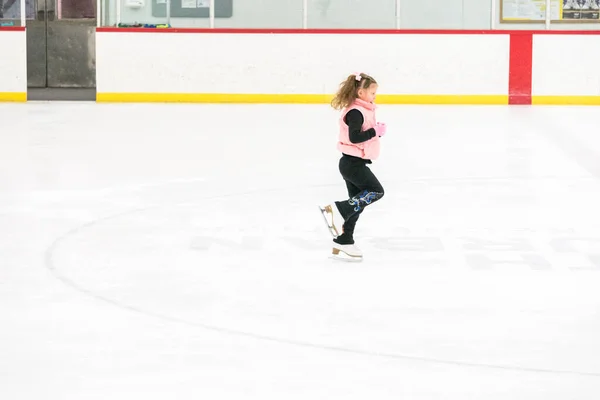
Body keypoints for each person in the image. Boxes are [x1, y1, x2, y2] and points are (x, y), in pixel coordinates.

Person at [319, 72, 386, 261]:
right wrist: (375, 132)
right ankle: (338, 209)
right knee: (375, 191)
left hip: (352, 163)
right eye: (372, 93)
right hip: (352, 164)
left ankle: (344, 239)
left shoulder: (362, 110)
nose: (374, 97)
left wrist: (375, 132)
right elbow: (354, 137)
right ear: (361, 92)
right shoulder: (355, 111)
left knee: (358, 204)